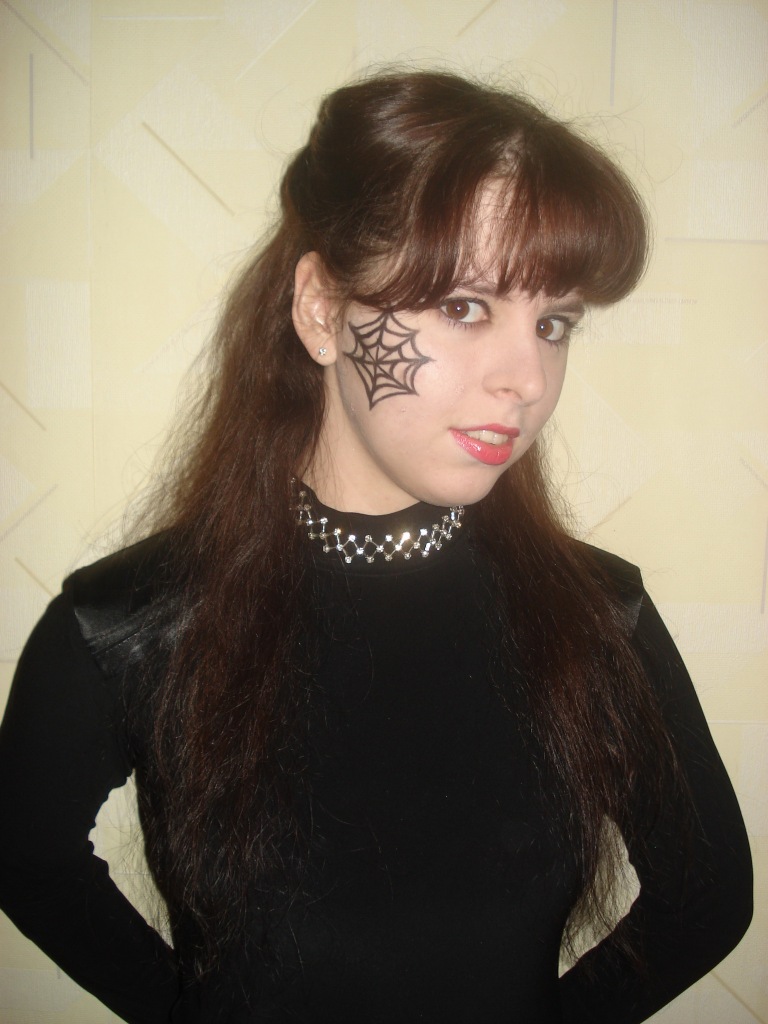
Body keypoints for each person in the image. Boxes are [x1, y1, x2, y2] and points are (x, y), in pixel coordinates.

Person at [0, 69, 753, 1024]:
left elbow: (706, 897)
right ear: (322, 311)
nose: (527, 378)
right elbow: (27, 859)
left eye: (553, 322)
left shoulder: (596, 622)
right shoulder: (132, 626)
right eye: (467, 307)